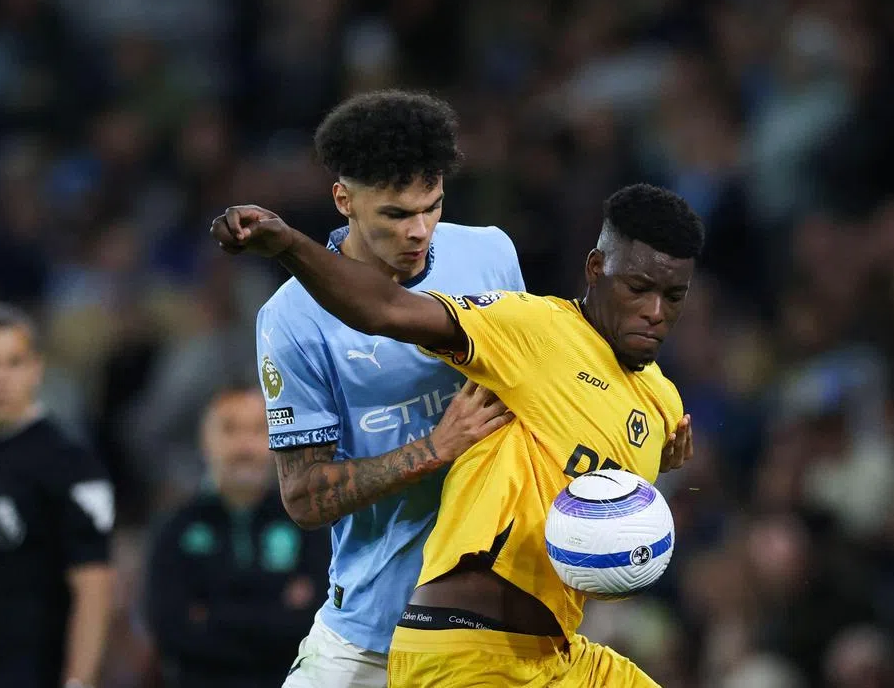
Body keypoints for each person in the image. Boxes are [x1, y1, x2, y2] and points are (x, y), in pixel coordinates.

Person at [211, 182, 699, 687]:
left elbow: (586, 447)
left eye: (674, 295)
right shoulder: (534, 331)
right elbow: (386, 309)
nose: (655, 312)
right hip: (465, 650)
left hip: (557, 654)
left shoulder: (663, 403)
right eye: (638, 289)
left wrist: (653, 467)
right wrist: (290, 245)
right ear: (596, 269)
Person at [249, 90, 523, 686]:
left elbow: (540, 391)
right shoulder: (293, 319)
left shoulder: (491, 255)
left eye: (433, 207)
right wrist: (434, 449)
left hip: (493, 627)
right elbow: (302, 497)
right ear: (344, 200)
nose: (419, 231)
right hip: (372, 632)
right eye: (395, 215)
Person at [0, 304, 115, 688]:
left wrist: (78, 682)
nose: (1, 378)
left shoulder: (71, 464)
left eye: (14, 363)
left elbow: (94, 587)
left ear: (36, 369)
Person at [145, 383, 332, 688]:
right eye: (230, 429)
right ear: (205, 440)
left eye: (258, 430)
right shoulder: (174, 528)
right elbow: (170, 630)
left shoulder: (308, 524)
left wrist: (211, 616)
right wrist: (277, 612)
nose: (244, 446)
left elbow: (318, 627)